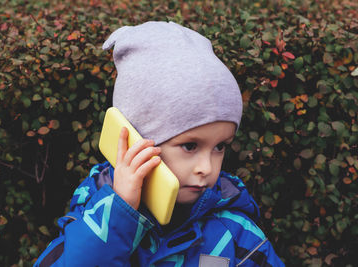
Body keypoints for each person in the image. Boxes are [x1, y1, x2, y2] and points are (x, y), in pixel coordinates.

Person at [34, 21, 284, 267]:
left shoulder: (237, 236)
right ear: (134, 139)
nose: (206, 168)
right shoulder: (94, 219)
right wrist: (118, 217)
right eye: (190, 146)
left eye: (219, 146)